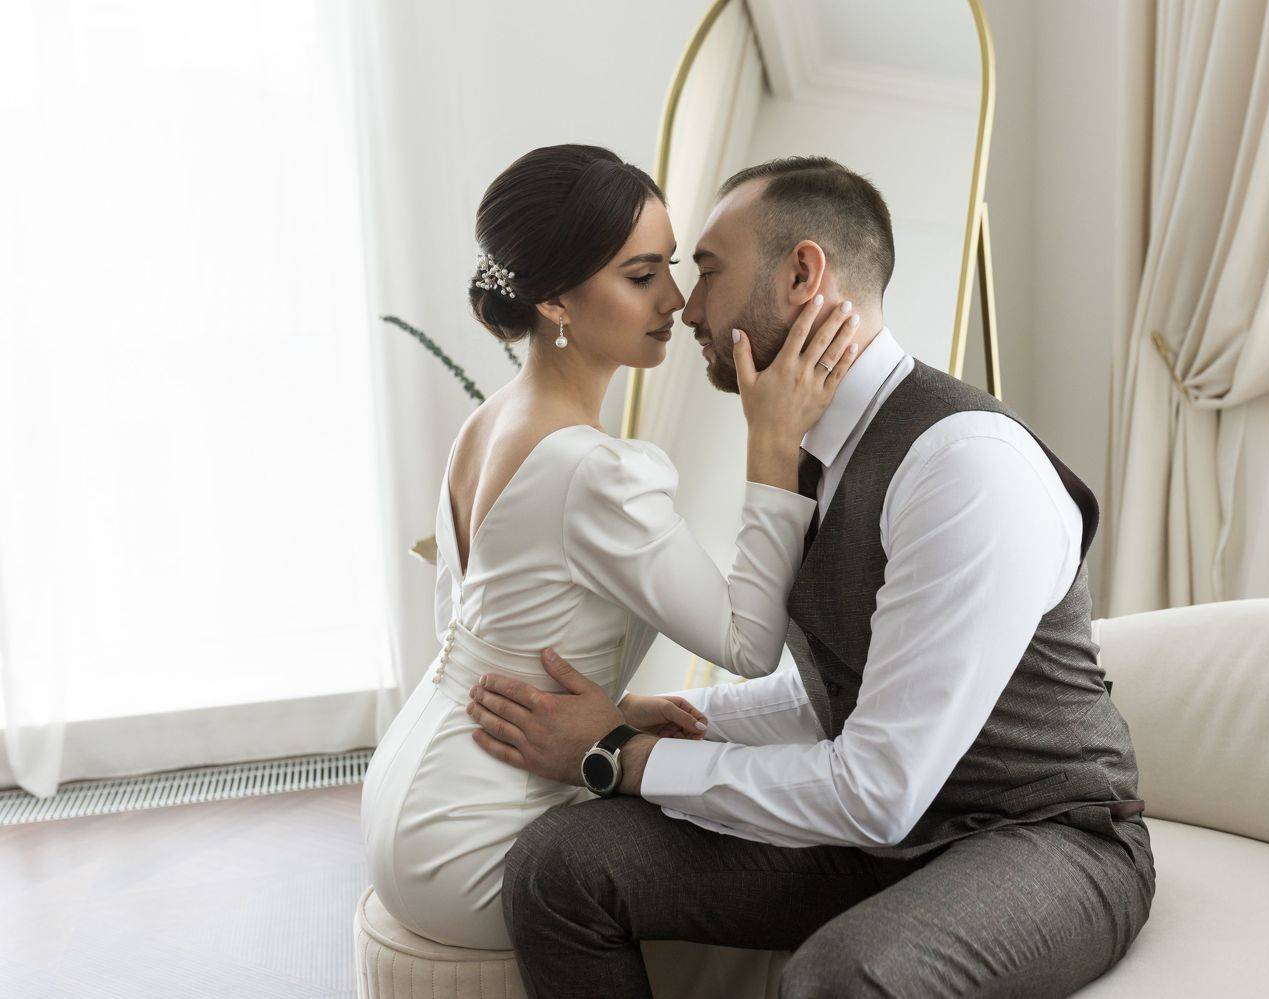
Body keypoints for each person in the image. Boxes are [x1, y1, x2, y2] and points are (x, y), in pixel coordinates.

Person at [467, 156, 1157, 998]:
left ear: (801, 275)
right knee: (559, 865)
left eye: (708, 272)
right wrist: (659, 716)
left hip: (1041, 836)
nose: (688, 307)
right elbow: (834, 693)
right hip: (885, 832)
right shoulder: (811, 451)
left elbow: (876, 787)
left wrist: (621, 753)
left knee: (840, 978)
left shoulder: (965, 466)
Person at [359, 143, 859, 951]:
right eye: (641, 276)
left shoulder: (486, 424)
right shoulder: (593, 469)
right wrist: (772, 441)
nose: (676, 300)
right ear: (555, 300)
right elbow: (748, 643)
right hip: (474, 848)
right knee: (781, 842)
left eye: (671, 267)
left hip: (406, 801)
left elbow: (487, 633)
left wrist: (613, 713)